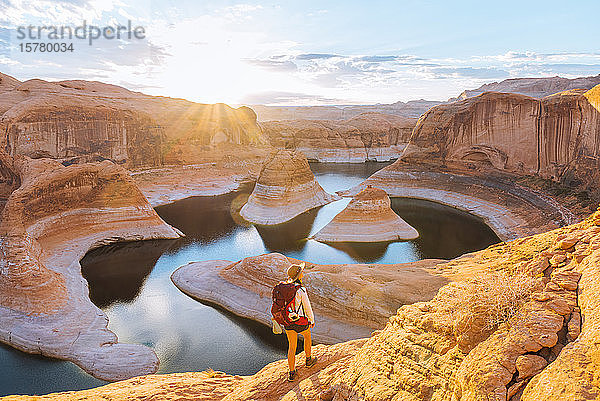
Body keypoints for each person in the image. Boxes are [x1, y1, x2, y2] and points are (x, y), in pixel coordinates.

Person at [284, 262, 317, 382]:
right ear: (298, 275)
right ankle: (308, 360)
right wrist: (311, 320)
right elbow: (307, 307)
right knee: (307, 338)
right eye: (301, 271)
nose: (303, 272)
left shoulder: (284, 288)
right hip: (300, 321)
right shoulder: (301, 290)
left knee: (292, 347)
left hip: (288, 321)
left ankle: (292, 373)